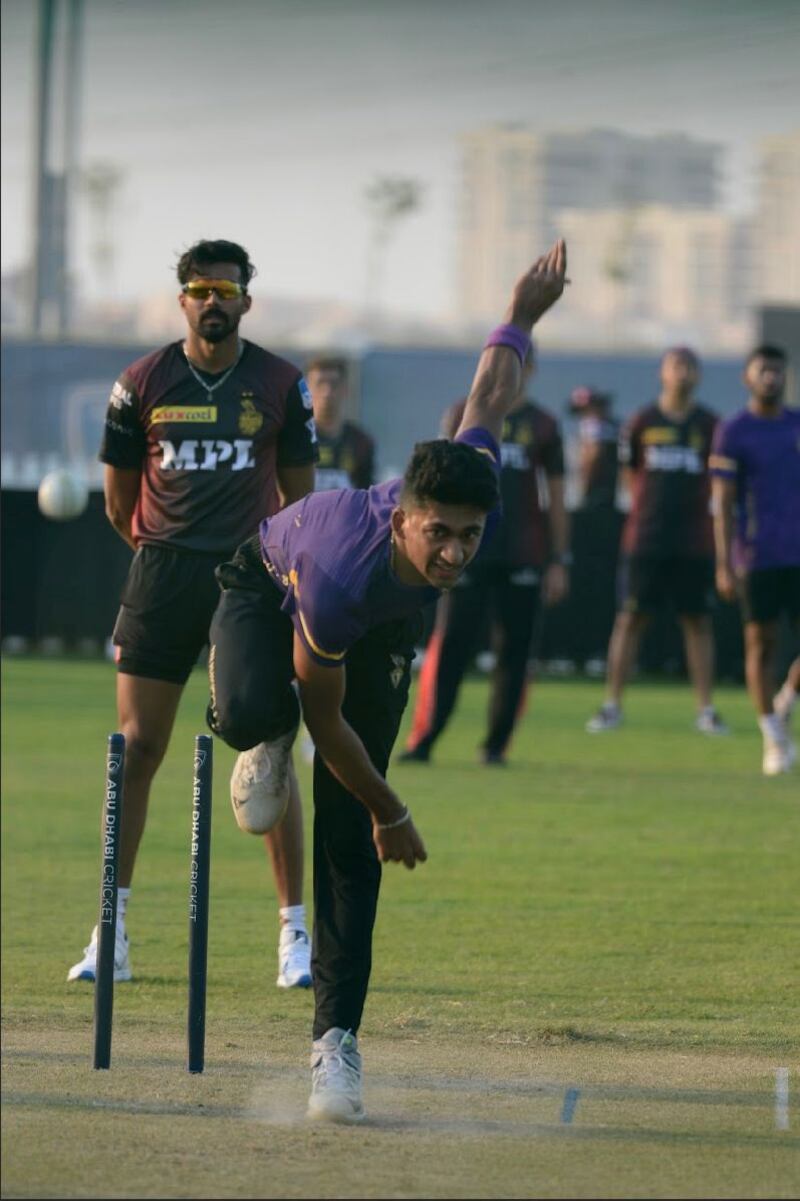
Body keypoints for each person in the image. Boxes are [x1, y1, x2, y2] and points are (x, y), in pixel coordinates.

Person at [205, 240, 568, 1122]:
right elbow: (333, 730)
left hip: (382, 628)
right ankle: (261, 731)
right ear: (404, 514)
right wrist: (393, 806)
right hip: (274, 585)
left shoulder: (458, 473)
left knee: (345, 843)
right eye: (436, 533)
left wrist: (519, 315)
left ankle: (336, 1044)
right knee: (271, 718)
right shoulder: (339, 574)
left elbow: (489, 391)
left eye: (468, 537)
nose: (453, 551)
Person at [67, 239, 318, 991]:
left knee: (267, 744)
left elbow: (300, 501)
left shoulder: (279, 382)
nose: (214, 300)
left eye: (227, 289)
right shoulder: (140, 383)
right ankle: (110, 933)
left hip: (247, 582)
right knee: (138, 748)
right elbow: (119, 504)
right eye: (200, 288)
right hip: (163, 575)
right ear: (182, 299)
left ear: (246, 300)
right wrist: (167, 552)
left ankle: (294, 936)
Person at [399, 344, 570, 766]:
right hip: (464, 553)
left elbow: (559, 498)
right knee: (451, 646)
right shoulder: (462, 414)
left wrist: (559, 560)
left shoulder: (544, 425)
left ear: (529, 369)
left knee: (515, 653)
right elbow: (434, 484)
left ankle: (495, 747)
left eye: (521, 364)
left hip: (523, 554)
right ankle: (424, 741)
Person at [586, 347, 728, 735]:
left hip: (694, 541)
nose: (683, 373)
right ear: (662, 373)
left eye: (690, 367)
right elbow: (631, 477)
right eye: (676, 366)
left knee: (697, 622)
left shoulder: (711, 425)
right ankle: (612, 705)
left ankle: (707, 709)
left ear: (698, 376)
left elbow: (719, 481)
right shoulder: (642, 422)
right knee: (630, 619)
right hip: (646, 540)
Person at [710, 344, 800, 775]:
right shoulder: (734, 431)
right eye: (764, 370)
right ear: (748, 377)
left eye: (777, 370)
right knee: (760, 645)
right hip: (757, 556)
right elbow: (723, 503)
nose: (771, 377)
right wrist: (725, 562)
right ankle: (773, 737)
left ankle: (786, 699)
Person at [566, 386, 622, 669]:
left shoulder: (597, 429)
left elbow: (591, 462)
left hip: (595, 513)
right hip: (605, 511)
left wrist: (580, 495)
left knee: (590, 585)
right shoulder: (613, 429)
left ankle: (589, 650)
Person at [307, 355, 375, 491]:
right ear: (307, 390)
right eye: (320, 383)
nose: (327, 392)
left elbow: (368, 498)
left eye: (334, 384)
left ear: (345, 389)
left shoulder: (361, 442)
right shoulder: (293, 440)